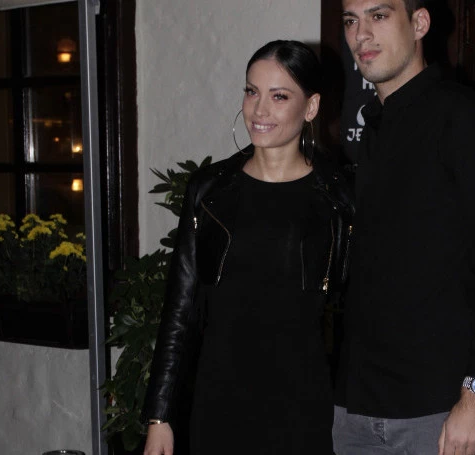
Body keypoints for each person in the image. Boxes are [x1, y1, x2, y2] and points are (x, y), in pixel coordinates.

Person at [333, 1, 475, 454]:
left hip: (439, 413)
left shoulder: (464, 118)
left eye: (378, 16)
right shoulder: (375, 126)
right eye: (351, 20)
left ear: (420, 23)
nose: (360, 34)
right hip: (355, 410)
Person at [141, 40, 355, 455]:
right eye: (252, 91)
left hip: (306, 408)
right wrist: (159, 417)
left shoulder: (340, 198)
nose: (259, 110)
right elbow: (180, 309)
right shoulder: (210, 191)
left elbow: (357, 312)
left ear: (311, 107)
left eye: (279, 96)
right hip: (219, 404)